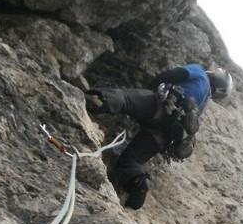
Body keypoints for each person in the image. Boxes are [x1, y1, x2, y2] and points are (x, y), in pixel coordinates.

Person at [85, 64, 233, 209]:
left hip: (160, 106)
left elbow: (175, 73)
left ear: (216, 75)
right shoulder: (202, 104)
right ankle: (139, 186)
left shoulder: (200, 73)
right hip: (163, 135)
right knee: (130, 162)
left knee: (125, 99)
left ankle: (93, 101)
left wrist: (150, 89)